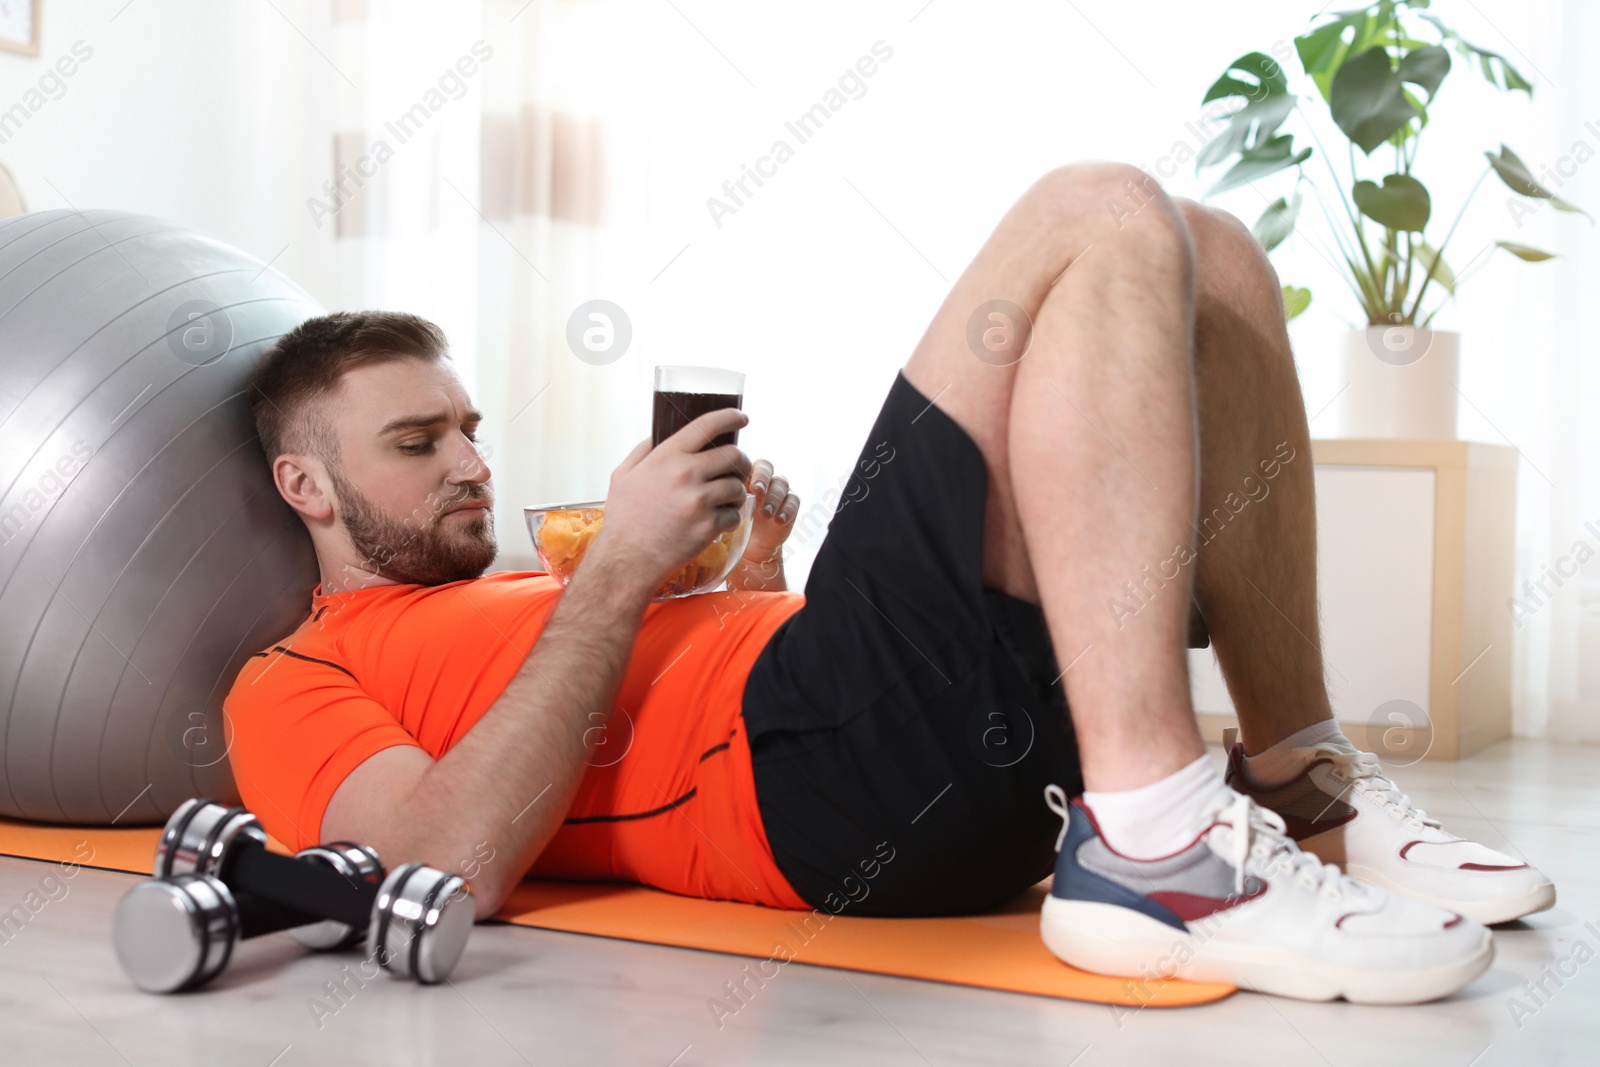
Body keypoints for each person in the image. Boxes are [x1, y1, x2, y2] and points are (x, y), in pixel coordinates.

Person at [225, 162, 1553, 1006]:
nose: (467, 462)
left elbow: (659, 707)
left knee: (1215, 257)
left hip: (915, 739)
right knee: (1094, 213)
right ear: (306, 488)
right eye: (417, 445)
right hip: (825, 783)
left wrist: (751, 568)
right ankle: (1158, 843)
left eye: (467, 428)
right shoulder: (293, 676)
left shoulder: (521, 581)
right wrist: (625, 567)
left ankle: (1299, 785)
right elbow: (444, 860)